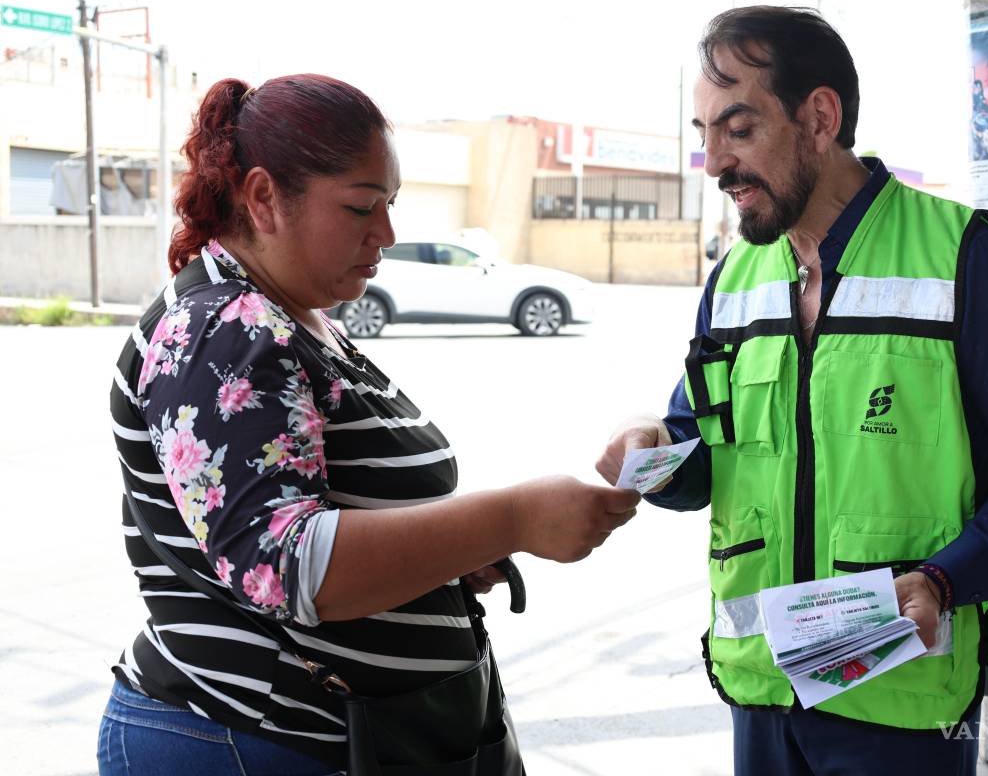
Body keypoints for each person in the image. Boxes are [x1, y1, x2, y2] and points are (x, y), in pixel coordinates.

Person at [595, 6, 988, 776]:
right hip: (761, 691)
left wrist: (944, 577)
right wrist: (652, 448)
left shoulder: (962, 255)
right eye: (705, 135)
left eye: (738, 128)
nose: (715, 164)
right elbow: (701, 454)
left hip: (904, 698)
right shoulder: (735, 279)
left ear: (819, 118)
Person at [102, 74, 639, 775]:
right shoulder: (221, 327)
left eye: (389, 204)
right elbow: (285, 565)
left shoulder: (295, 312)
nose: (386, 233)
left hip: (339, 735)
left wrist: (441, 554)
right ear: (263, 197)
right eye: (361, 207)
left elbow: (337, 500)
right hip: (248, 739)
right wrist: (508, 519)